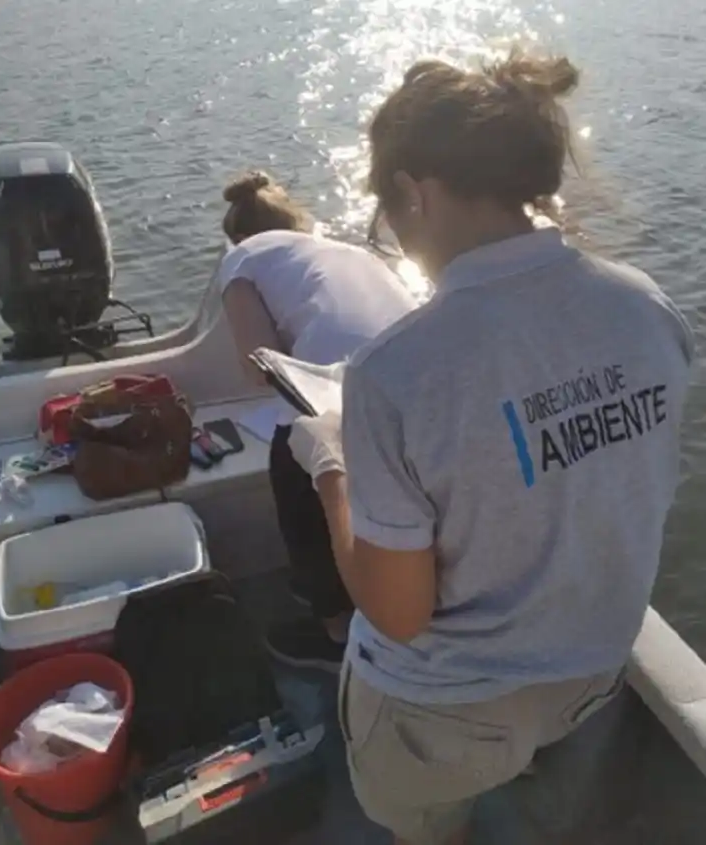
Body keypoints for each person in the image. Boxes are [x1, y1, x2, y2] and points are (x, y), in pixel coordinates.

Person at [285, 48, 694, 845]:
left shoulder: (391, 372)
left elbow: (398, 614)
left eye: (388, 210)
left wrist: (329, 463)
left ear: (413, 189)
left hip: (439, 719)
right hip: (589, 675)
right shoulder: (646, 307)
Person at [218, 169, 417, 671]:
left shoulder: (241, 258)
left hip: (344, 391)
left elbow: (258, 364)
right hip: (419, 385)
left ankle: (333, 628)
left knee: (294, 464)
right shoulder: (350, 250)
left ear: (237, 235)